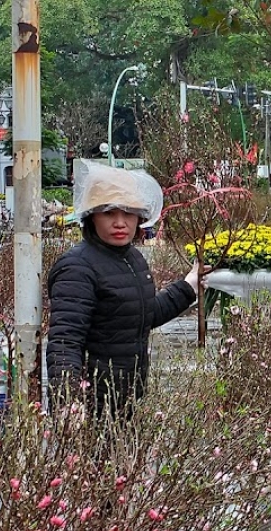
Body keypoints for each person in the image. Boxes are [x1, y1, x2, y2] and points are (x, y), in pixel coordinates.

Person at [46, 165, 208, 415]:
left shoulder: (132, 258)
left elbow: (140, 315)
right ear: (91, 217)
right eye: (109, 213)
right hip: (93, 406)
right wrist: (69, 400)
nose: (120, 223)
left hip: (127, 398)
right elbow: (66, 340)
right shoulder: (77, 268)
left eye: (129, 213)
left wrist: (189, 286)